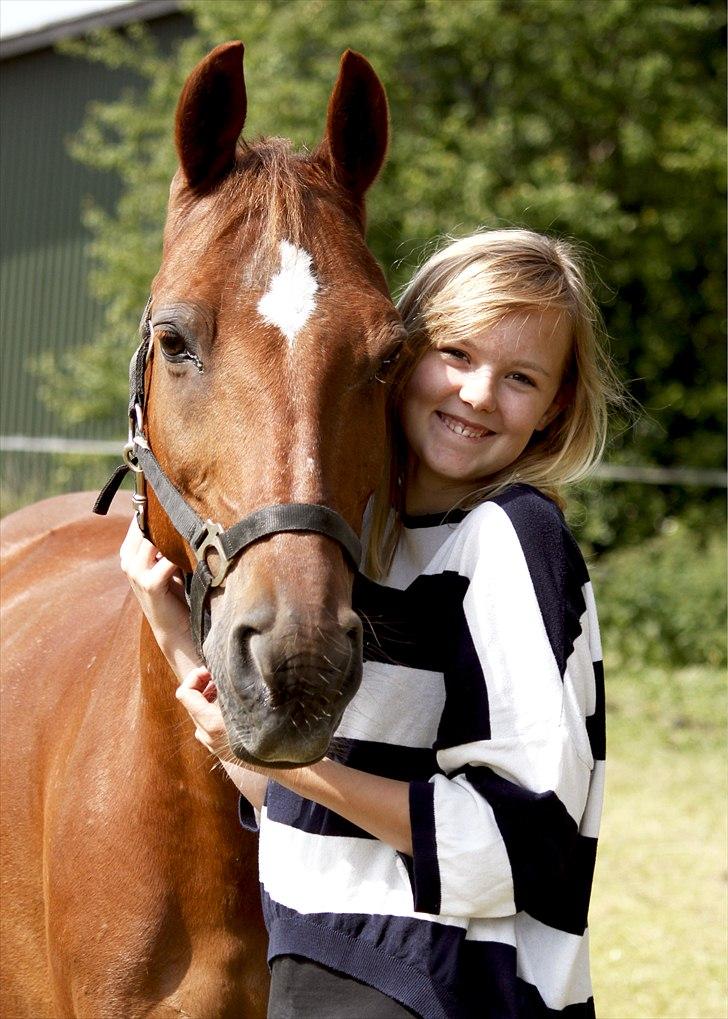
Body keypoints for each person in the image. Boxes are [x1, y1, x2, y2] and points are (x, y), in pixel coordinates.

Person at [121, 228, 621, 1018]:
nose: (478, 394)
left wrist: (290, 767)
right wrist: (173, 632)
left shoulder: (512, 538)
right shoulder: (372, 555)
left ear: (556, 403)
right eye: (456, 354)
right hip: (328, 979)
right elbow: (314, 824)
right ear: (402, 355)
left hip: (453, 993)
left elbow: (520, 849)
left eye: (519, 376)